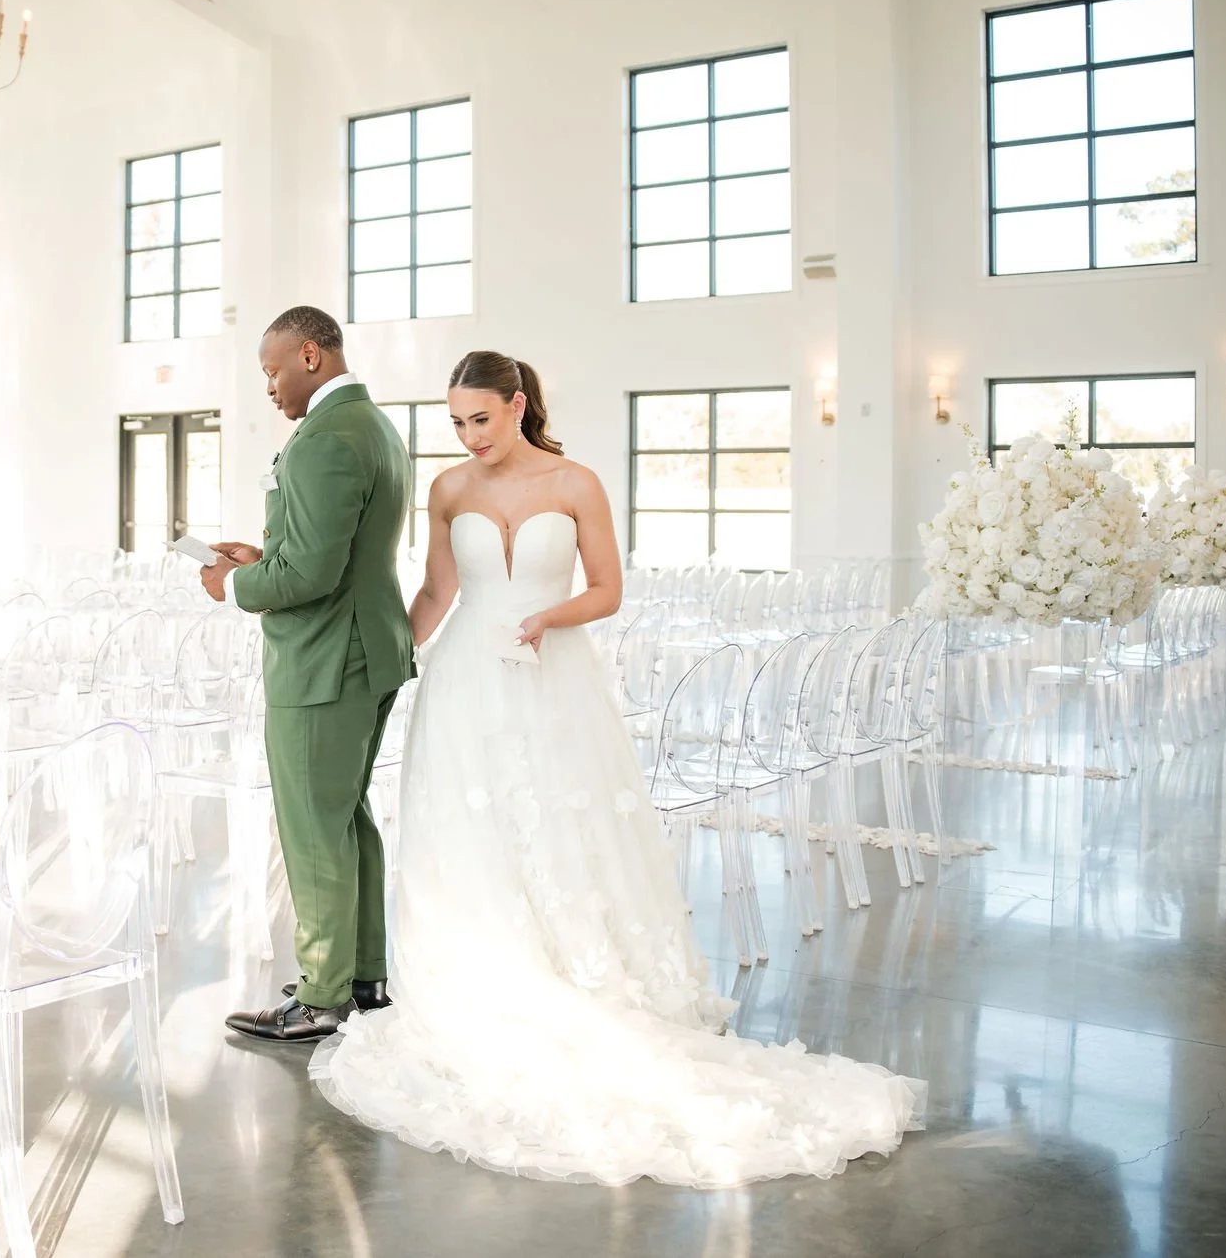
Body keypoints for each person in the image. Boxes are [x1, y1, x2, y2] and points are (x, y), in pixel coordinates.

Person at [306, 350, 926, 1187]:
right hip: (464, 686)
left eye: (480, 418)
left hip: (553, 676)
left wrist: (542, 619)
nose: (468, 436)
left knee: (559, 825)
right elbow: (437, 592)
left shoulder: (576, 483)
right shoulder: (449, 490)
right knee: (471, 833)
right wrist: (384, 655)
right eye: (456, 423)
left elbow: (608, 590)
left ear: (518, 404)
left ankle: (575, 968)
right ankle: (483, 970)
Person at [202, 306, 415, 1042]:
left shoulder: (327, 438)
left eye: (273, 368)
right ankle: (362, 974)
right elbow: (334, 551)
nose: (269, 385)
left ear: (312, 355)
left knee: (313, 826)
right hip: (366, 647)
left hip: (327, 658)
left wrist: (231, 586)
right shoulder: (374, 426)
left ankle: (323, 998)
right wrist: (263, 559)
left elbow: (316, 574)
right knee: (346, 815)